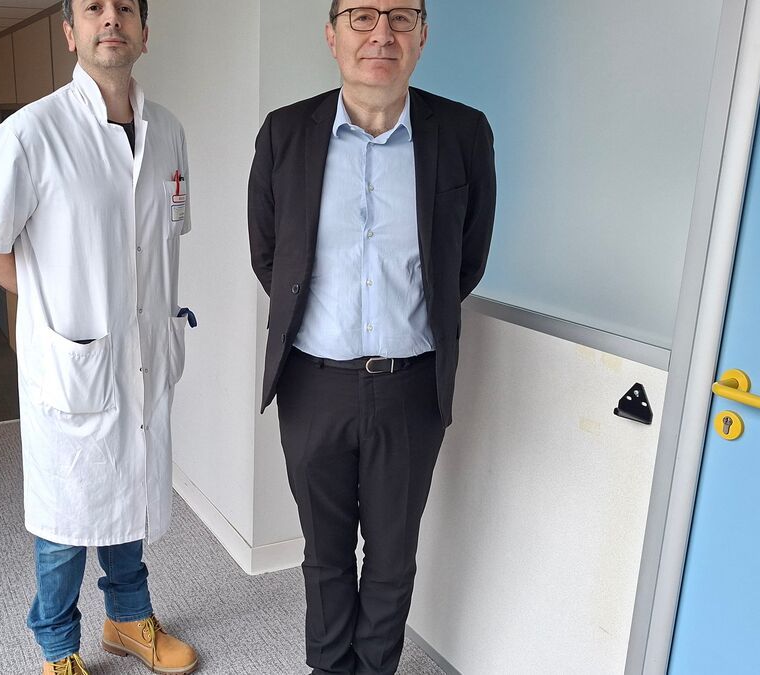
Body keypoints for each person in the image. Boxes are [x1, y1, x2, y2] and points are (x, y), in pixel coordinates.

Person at [248, 1, 496, 672]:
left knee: (391, 557)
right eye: (361, 15)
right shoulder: (285, 133)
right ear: (332, 36)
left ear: (422, 36)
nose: (380, 32)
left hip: (411, 388)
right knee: (324, 555)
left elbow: (465, 262)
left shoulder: (464, 133)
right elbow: (271, 256)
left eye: (400, 16)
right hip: (312, 384)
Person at [0, 1, 197, 673]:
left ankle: (128, 619)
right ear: (70, 32)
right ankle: (58, 651)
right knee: (67, 521)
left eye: (126, 6)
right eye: (93, 7)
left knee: (130, 493)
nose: (111, 18)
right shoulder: (30, 134)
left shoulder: (170, 132)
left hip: (145, 357)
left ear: (144, 33)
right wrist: (53, 309)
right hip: (74, 365)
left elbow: (162, 238)